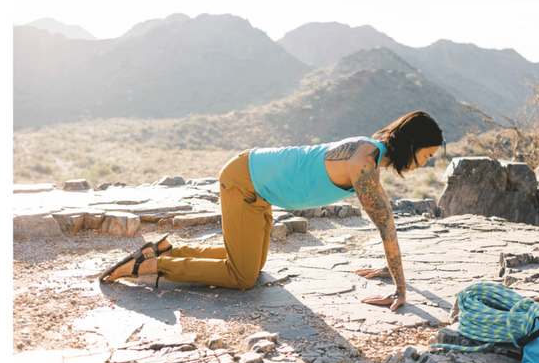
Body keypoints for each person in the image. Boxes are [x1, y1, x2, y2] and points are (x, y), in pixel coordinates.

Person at [100, 111, 444, 311]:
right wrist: (400, 291)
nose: (424, 164)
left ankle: (166, 248)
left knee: (253, 263)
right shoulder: (364, 162)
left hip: (257, 182)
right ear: (412, 146)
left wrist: (389, 269)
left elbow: (384, 219)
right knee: (242, 276)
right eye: (427, 156)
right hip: (244, 181)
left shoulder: (370, 152)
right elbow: (386, 225)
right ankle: (150, 265)